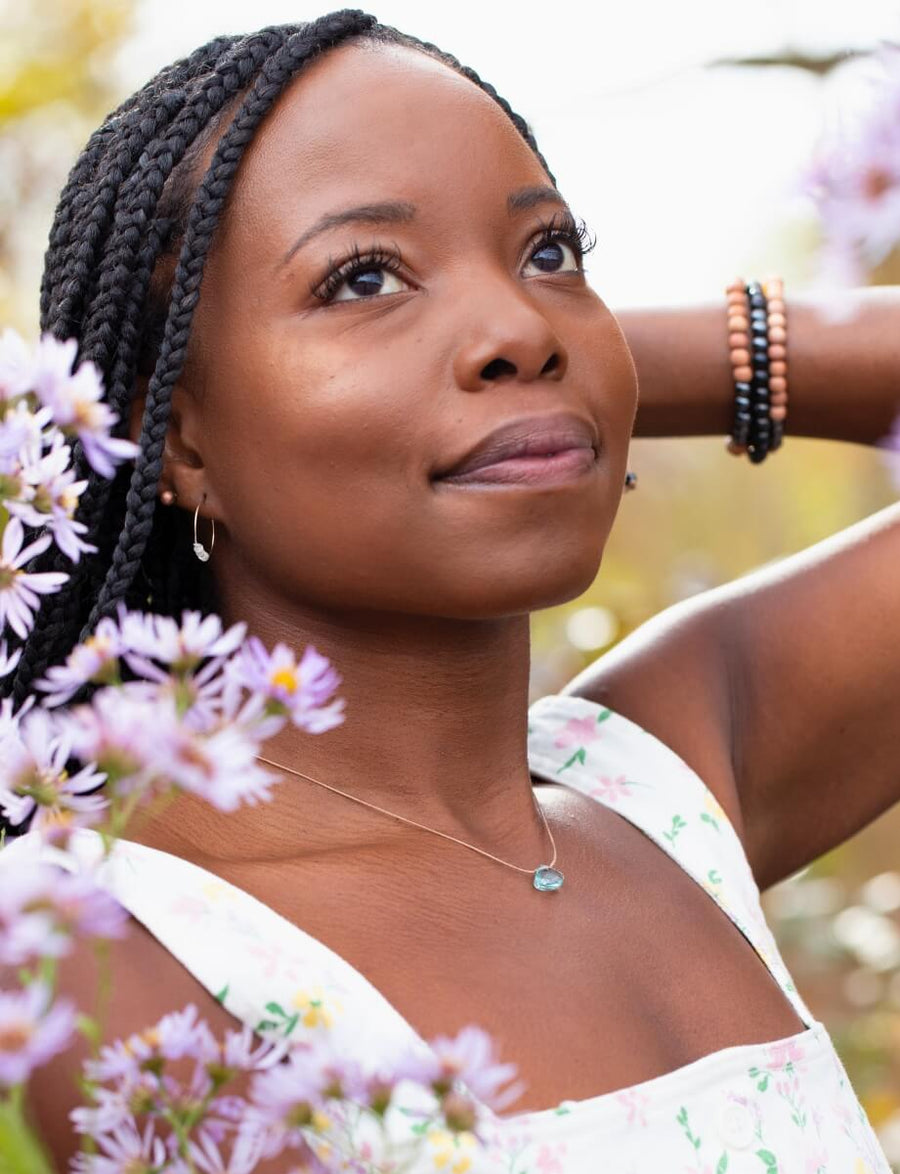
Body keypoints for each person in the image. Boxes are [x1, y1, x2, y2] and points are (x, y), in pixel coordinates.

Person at [4, 9, 900, 1169]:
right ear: (172, 433)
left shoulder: (669, 787)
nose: (516, 326)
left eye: (549, 253)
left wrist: (589, 369)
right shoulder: (102, 958)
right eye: (363, 276)